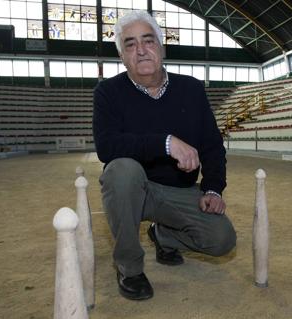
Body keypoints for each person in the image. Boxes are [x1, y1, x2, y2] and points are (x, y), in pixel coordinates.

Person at [93, 10, 236, 301]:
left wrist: (212, 188)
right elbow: (106, 147)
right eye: (130, 44)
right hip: (134, 191)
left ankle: (163, 235)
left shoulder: (192, 89)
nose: (141, 50)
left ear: (162, 46)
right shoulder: (108, 92)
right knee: (120, 170)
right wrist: (166, 144)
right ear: (122, 56)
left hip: (179, 191)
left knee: (222, 240)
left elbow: (211, 145)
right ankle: (129, 268)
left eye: (148, 40)